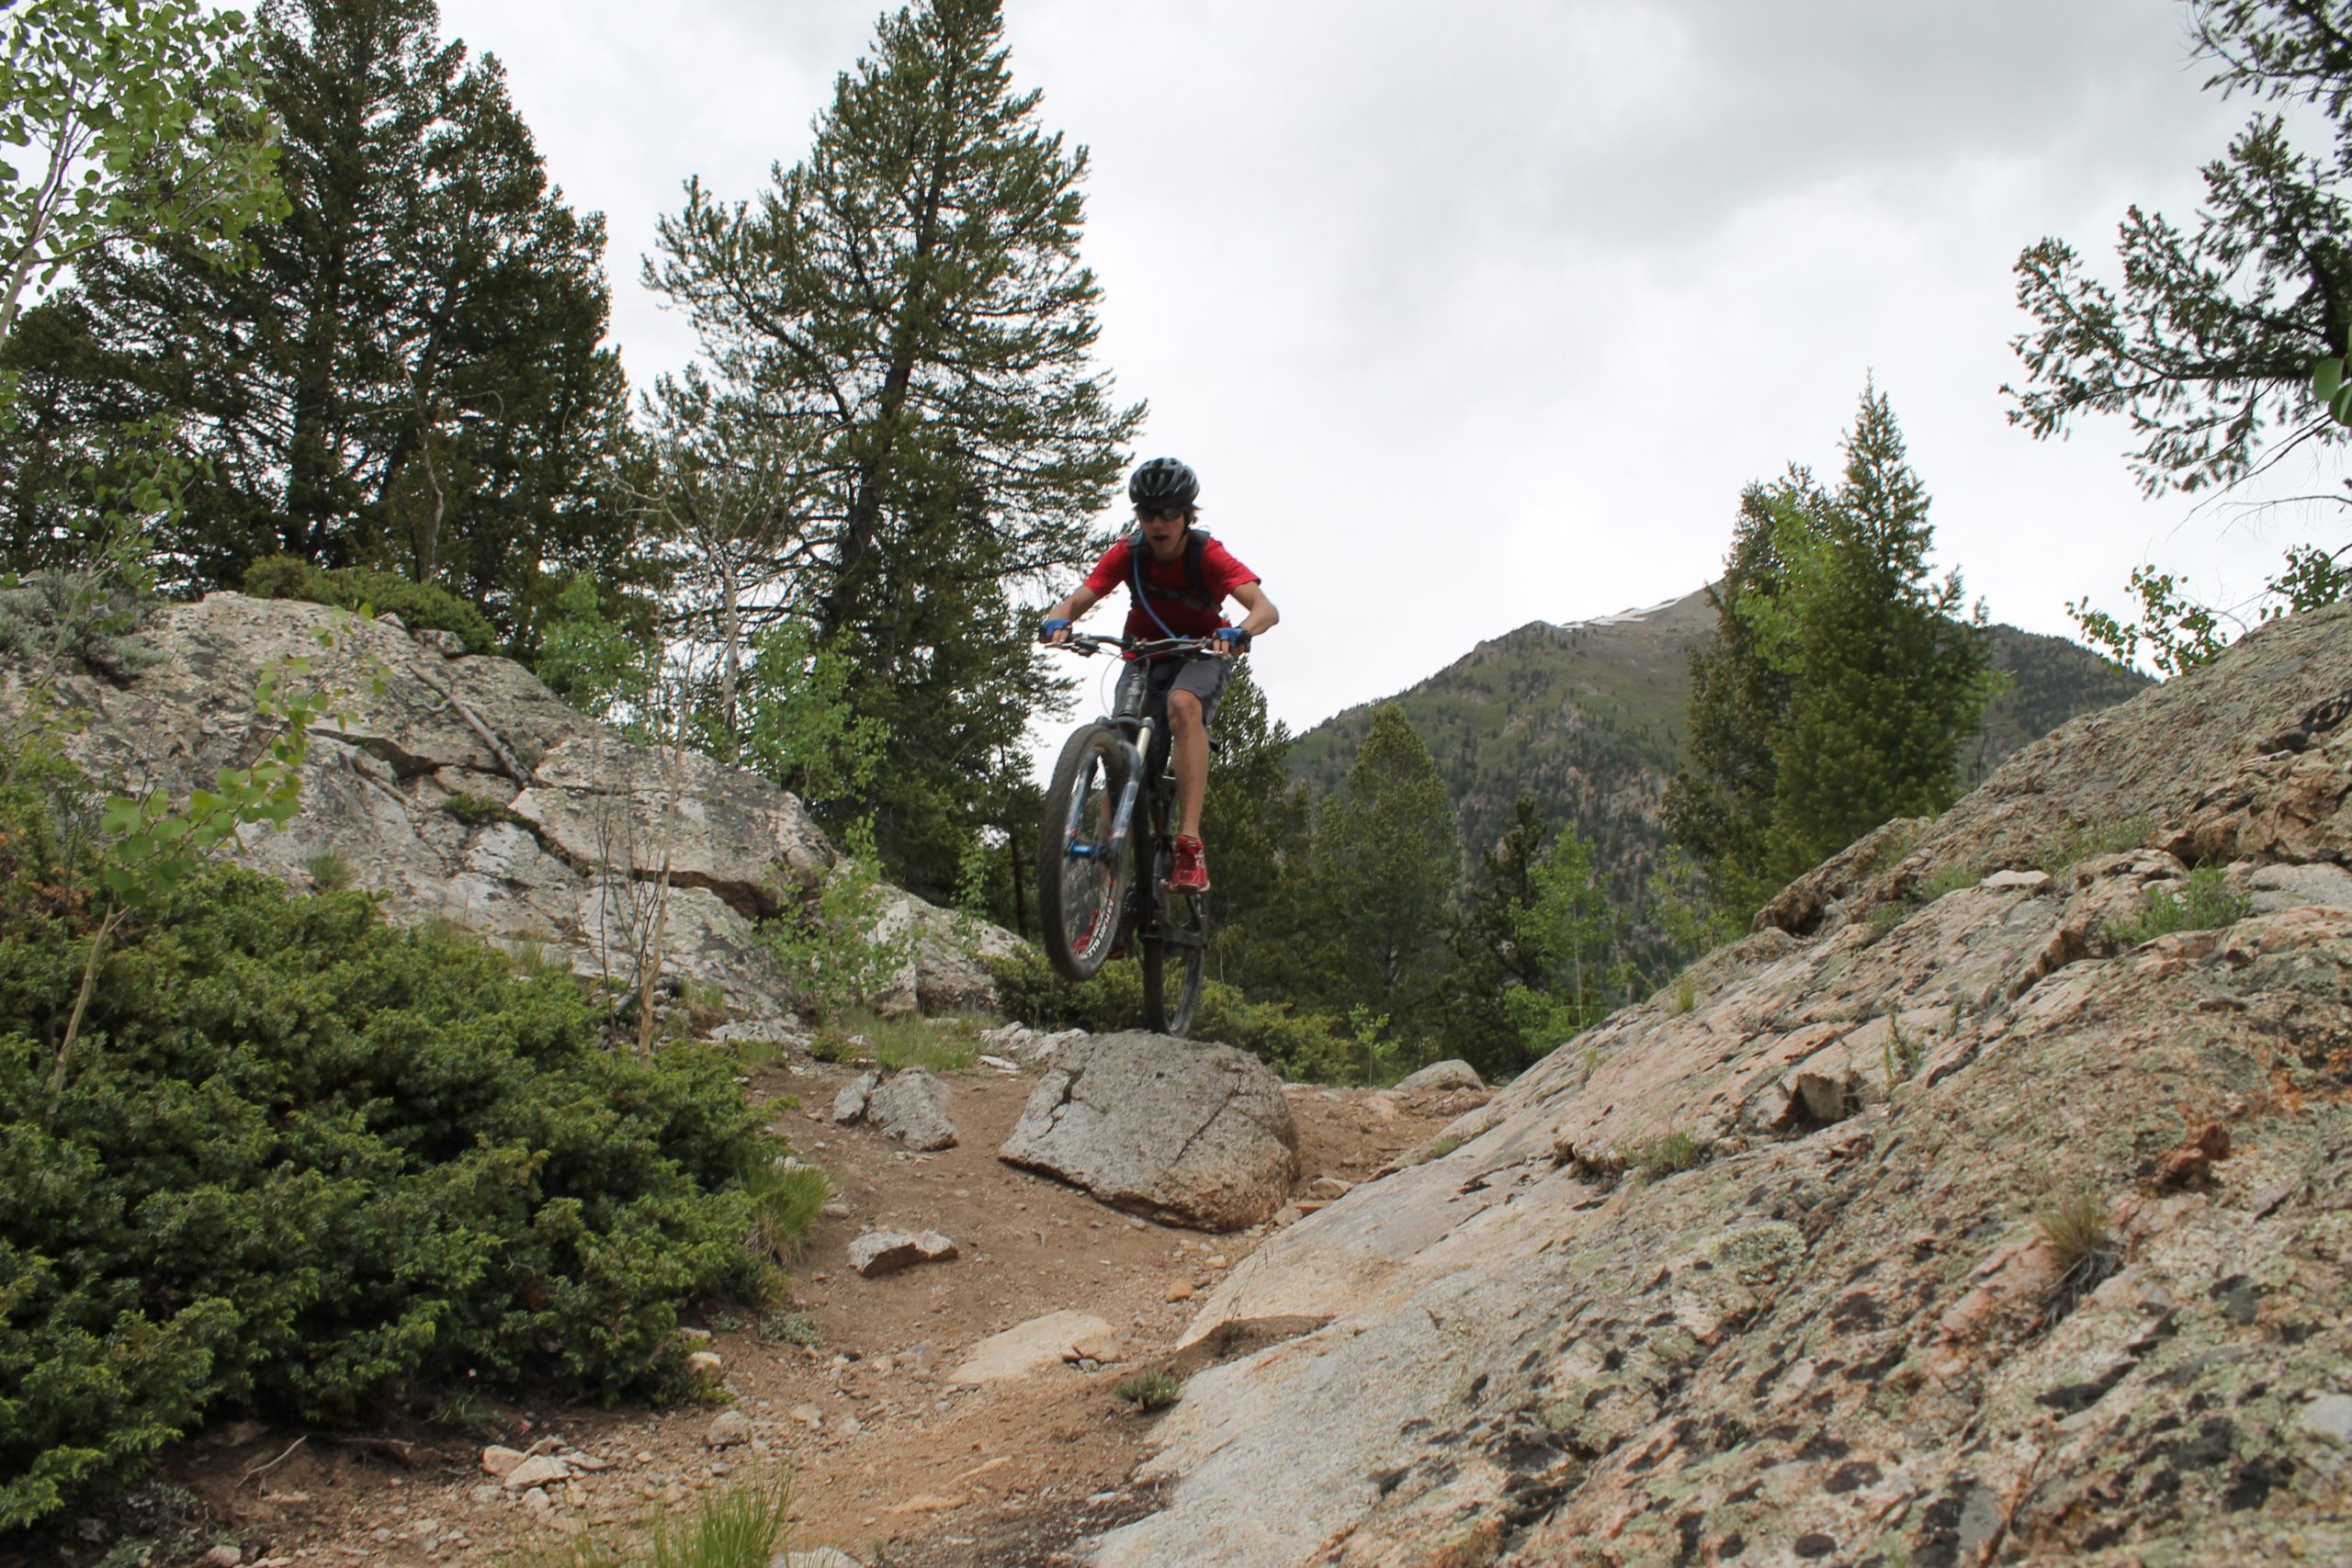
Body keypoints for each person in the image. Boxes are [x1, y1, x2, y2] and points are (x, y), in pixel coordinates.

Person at [1038, 457, 1279, 894]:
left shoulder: (1207, 555)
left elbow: (1265, 610)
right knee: (1122, 747)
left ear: (1188, 515)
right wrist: (1057, 621)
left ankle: (1189, 846)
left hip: (1202, 652)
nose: (1158, 523)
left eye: (1169, 512)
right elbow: (1076, 601)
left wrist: (1239, 632)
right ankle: (1103, 891)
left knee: (1183, 704)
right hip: (1144, 656)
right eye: (1148, 513)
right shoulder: (1128, 555)